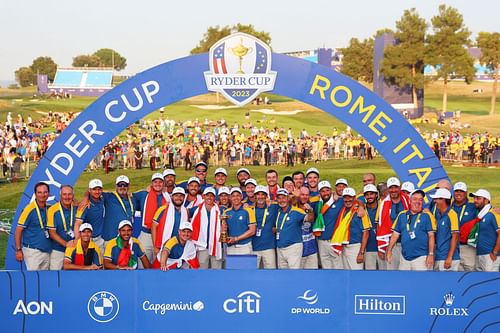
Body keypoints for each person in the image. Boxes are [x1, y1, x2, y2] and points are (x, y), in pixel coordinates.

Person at [387, 190, 436, 271]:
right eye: (415, 199)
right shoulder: (402, 215)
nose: (418, 202)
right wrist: (389, 250)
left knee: (421, 282)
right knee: (404, 282)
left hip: (421, 258)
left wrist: (431, 254)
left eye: (420, 200)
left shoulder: (427, 216)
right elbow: (395, 235)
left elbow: (431, 236)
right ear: (409, 201)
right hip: (404, 258)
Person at [132, 173, 169, 264]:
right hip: (146, 234)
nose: (158, 184)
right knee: (144, 263)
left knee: (159, 264)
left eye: (160, 182)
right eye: (155, 182)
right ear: (151, 184)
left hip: (161, 235)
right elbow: (130, 196)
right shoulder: (143, 194)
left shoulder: (168, 197)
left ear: (164, 183)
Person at [330, 188, 371, 270]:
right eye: (345, 197)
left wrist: (361, 252)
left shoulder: (361, 212)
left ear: (354, 198)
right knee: (346, 274)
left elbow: (366, 233)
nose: (348, 200)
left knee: (357, 275)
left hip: (355, 247)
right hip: (344, 246)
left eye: (350, 197)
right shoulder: (343, 210)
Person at [15, 182, 51, 270]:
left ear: (49, 193)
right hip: (33, 251)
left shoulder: (50, 208)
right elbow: (18, 230)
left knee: (43, 280)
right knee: (33, 280)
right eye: (39, 192)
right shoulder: (28, 210)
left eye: (45, 192)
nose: (42, 195)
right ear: (35, 194)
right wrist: (18, 250)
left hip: (46, 251)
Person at [275, 189, 314, 269]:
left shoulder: (296, 211)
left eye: (283, 198)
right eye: (279, 198)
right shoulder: (278, 211)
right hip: (280, 248)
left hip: (293, 248)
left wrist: (310, 211)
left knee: (294, 273)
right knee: (283, 275)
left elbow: (309, 219)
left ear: (288, 198)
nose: (281, 200)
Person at [377, 177, 410, 270]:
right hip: (392, 244)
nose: (393, 190)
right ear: (388, 189)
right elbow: (381, 225)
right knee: (392, 271)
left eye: (395, 187)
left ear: (399, 188)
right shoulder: (384, 204)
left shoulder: (408, 200)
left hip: (407, 243)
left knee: (406, 272)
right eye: (391, 188)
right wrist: (381, 247)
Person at [313, 180, 344, 269]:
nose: (325, 193)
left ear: (331, 190)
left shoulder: (339, 201)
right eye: (323, 191)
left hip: (334, 240)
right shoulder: (317, 204)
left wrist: (360, 206)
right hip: (321, 241)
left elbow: (355, 201)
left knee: (338, 268)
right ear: (319, 193)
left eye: (327, 190)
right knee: (326, 268)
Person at [152, 187, 189, 258]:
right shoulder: (163, 209)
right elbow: (154, 227)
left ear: (184, 198)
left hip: (178, 247)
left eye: (181, 196)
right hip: (162, 246)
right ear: (172, 196)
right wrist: (155, 246)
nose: (178, 198)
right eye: (176, 195)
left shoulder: (185, 211)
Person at [190, 188, 223, 269]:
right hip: (202, 246)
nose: (209, 197)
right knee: (201, 271)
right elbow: (184, 212)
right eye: (207, 195)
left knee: (216, 270)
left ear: (214, 197)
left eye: (211, 195)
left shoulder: (220, 209)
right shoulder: (196, 209)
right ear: (203, 196)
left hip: (216, 246)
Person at [47, 185, 78, 270]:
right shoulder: (52, 210)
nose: (67, 197)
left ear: (73, 196)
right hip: (58, 249)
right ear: (60, 196)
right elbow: (52, 233)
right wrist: (66, 244)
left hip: (74, 249)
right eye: (64, 194)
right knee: (55, 276)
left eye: (69, 194)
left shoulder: (77, 208)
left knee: (73, 276)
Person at [469, 189, 500, 272]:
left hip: (490, 256)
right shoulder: (481, 214)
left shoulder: (494, 214)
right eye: (474, 198)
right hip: (479, 254)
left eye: (478, 198)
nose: (475, 200)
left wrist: (495, 252)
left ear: (486, 200)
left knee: (490, 282)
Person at [450, 182, 478, 271]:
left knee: (470, 273)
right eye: (456, 191)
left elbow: (486, 209)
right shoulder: (448, 208)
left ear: (466, 193)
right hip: (451, 247)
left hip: (467, 248)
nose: (458, 193)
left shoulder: (473, 207)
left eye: (461, 191)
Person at [430, 188, 460, 271]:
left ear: (443, 200)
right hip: (439, 256)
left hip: (448, 259)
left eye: (437, 199)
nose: (435, 201)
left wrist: (449, 257)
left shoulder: (452, 214)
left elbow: (455, 236)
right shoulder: (438, 214)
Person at [74, 179, 105, 255]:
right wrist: (77, 240)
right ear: (90, 190)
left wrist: (86, 195)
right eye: (94, 189)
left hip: (100, 239)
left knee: (100, 264)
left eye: (99, 189)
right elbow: (77, 224)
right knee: (88, 264)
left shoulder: (102, 199)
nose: (97, 192)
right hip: (88, 240)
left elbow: (87, 192)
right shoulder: (84, 205)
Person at [251, 185, 278, 269]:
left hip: (269, 247)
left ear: (266, 196)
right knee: (252, 273)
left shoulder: (273, 207)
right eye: (258, 194)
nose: (260, 197)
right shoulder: (249, 209)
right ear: (255, 196)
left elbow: (288, 201)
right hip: (254, 247)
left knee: (271, 273)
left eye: (263, 194)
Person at [224, 188, 256, 255]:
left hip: (245, 246)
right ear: (230, 197)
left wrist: (236, 239)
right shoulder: (226, 212)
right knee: (232, 265)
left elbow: (252, 231)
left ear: (241, 196)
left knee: (245, 265)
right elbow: (224, 229)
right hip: (231, 247)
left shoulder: (248, 211)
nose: (236, 198)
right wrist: (225, 237)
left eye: (238, 195)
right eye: (233, 196)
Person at [296, 186, 318, 269]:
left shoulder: (311, 206)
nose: (304, 197)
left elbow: (310, 219)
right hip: (297, 250)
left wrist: (310, 211)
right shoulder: (292, 207)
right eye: (302, 194)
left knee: (313, 276)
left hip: (311, 248)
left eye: (306, 195)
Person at [363, 184, 380, 270]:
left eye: (371, 194)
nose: (369, 196)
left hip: (382, 248)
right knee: (370, 276)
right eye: (367, 194)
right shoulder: (362, 210)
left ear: (376, 195)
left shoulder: (383, 208)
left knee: (385, 276)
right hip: (368, 249)